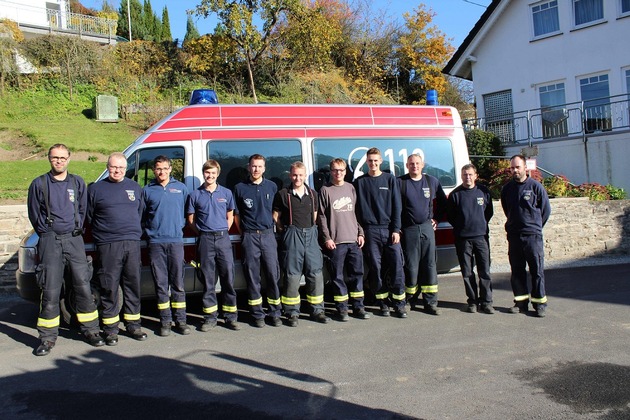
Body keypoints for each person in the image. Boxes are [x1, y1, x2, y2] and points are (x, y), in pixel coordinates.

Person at [27, 144, 104, 356]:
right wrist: (48, 232)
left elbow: (83, 209)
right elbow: (35, 214)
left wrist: (75, 229)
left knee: (83, 286)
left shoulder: (77, 182)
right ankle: (47, 338)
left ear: (69, 159)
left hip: (74, 240)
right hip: (51, 241)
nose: (59, 161)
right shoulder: (39, 184)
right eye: (55, 158)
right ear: (49, 159)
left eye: (62, 157)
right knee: (50, 290)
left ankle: (91, 331)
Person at [87, 152, 147, 346]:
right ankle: (111, 330)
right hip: (108, 244)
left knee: (133, 284)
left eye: (121, 167)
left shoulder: (135, 187)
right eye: (114, 167)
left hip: (131, 242)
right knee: (109, 286)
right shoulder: (96, 189)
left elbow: (140, 213)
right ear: (107, 167)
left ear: (126, 169)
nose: (117, 171)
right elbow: (89, 216)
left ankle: (133, 325)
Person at [273, 161, 330, 326]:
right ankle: (292, 313)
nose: (297, 178)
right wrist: (282, 229)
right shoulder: (283, 194)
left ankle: (317, 311)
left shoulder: (313, 194)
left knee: (315, 273)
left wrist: (309, 230)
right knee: (292, 275)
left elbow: (315, 215)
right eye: (295, 175)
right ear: (290, 175)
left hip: (311, 234)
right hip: (292, 235)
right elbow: (276, 214)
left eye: (301, 175)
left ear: (305, 176)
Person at [186, 159, 240, 331]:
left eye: (213, 173)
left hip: (223, 239)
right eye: (207, 172)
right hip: (205, 240)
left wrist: (222, 229)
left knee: (228, 279)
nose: (210, 175)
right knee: (208, 281)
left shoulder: (226, 193)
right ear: (204, 173)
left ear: (218, 174)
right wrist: (204, 232)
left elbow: (230, 216)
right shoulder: (194, 195)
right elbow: (191, 220)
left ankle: (231, 317)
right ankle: (210, 318)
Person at [354, 148, 406, 318]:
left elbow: (397, 206)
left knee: (397, 266)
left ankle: (399, 304)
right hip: (370, 231)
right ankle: (382, 303)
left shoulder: (390, 179)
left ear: (381, 161)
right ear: (366, 161)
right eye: (370, 160)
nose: (373, 163)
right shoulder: (360, 182)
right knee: (376, 269)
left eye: (376, 160)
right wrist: (361, 232)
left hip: (389, 229)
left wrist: (396, 229)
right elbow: (356, 211)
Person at [142, 156, 191, 336]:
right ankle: (165, 322)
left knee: (178, 283)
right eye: (158, 169)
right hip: (155, 243)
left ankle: (181, 321)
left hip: (176, 241)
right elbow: (142, 216)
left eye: (165, 168)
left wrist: (178, 226)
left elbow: (188, 212)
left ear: (171, 169)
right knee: (161, 284)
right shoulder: (147, 190)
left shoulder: (181, 188)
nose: (161, 172)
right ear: (154, 171)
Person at [317, 158, 370, 321]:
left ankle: (359, 307)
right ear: (330, 171)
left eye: (341, 170)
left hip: (353, 241)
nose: (338, 173)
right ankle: (342, 310)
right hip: (336, 243)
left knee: (357, 275)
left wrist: (361, 233)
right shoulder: (325, 190)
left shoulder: (351, 188)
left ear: (345, 172)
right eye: (334, 170)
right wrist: (327, 238)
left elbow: (356, 213)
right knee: (337, 277)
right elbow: (321, 217)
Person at [233, 154, 282, 328]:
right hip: (250, 236)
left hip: (268, 235)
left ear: (264, 168)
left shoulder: (272, 186)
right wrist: (246, 233)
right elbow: (237, 216)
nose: (256, 169)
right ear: (248, 167)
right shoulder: (239, 188)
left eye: (259, 166)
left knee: (272, 274)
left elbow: (276, 211)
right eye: (253, 166)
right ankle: (257, 314)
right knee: (252, 276)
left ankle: (275, 312)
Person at [501, 154, 551, 317]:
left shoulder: (536, 187)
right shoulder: (507, 189)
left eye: (518, 167)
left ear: (525, 168)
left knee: (536, 270)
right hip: (514, 236)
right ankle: (521, 302)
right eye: (512, 168)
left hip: (532, 236)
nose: (515, 170)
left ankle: (539, 303)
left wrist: (534, 226)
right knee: (517, 270)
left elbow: (545, 211)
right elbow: (506, 209)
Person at [398, 152, 447, 315]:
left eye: (417, 163)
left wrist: (437, 219)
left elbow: (443, 202)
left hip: (427, 228)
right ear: (407, 165)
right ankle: (409, 298)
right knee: (411, 266)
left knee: (430, 265)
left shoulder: (431, 181)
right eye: (411, 164)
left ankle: (430, 303)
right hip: (409, 229)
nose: (415, 166)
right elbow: (395, 207)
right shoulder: (401, 182)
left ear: (423, 164)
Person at [447, 163, 495, 314]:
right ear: (461, 176)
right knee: (467, 272)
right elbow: (451, 217)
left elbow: (488, 213)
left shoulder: (483, 192)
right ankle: (472, 301)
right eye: (464, 175)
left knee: (484, 271)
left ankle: (486, 302)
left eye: (470, 174)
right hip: (463, 239)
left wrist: (479, 225)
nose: (467, 177)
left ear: (476, 176)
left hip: (481, 238)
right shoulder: (455, 194)